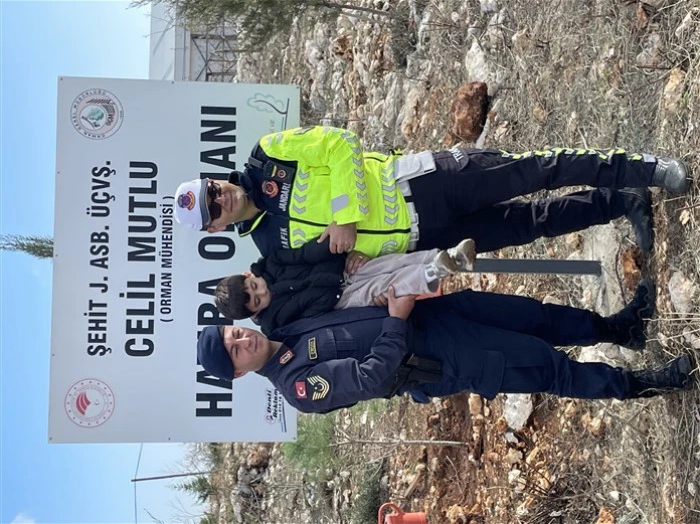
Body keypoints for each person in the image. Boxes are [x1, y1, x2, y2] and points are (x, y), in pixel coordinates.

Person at [174, 126, 691, 259]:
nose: (220, 199)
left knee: (537, 171)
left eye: (211, 189)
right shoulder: (268, 247)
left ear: (215, 179)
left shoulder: (268, 154)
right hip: (425, 242)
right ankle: (625, 201)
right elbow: (326, 272)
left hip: (424, 182)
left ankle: (645, 170)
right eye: (212, 210)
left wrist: (345, 214)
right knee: (532, 224)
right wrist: (355, 263)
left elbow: (340, 144)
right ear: (215, 229)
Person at [196, 279, 694, 414]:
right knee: (548, 368)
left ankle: (621, 329)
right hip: (442, 360)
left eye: (234, 333)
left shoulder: (287, 328)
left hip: (437, 316)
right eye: (235, 351)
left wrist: (384, 306)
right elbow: (370, 377)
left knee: (534, 317)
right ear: (239, 373)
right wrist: (394, 321)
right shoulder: (297, 388)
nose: (242, 340)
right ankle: (645, 384)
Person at [215, 237, 476, 334]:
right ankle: (434, 271)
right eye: (258, 300)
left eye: (254, 285)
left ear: (248, 274)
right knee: (386, 287)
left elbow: (304, 254)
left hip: (342, 270)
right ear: (255, 313)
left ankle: (450, 257)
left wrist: (329, 245)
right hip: (340, 301)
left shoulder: (272, 263)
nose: (262, 291)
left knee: (391, 264)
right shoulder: (276, 322)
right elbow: (311, 320)